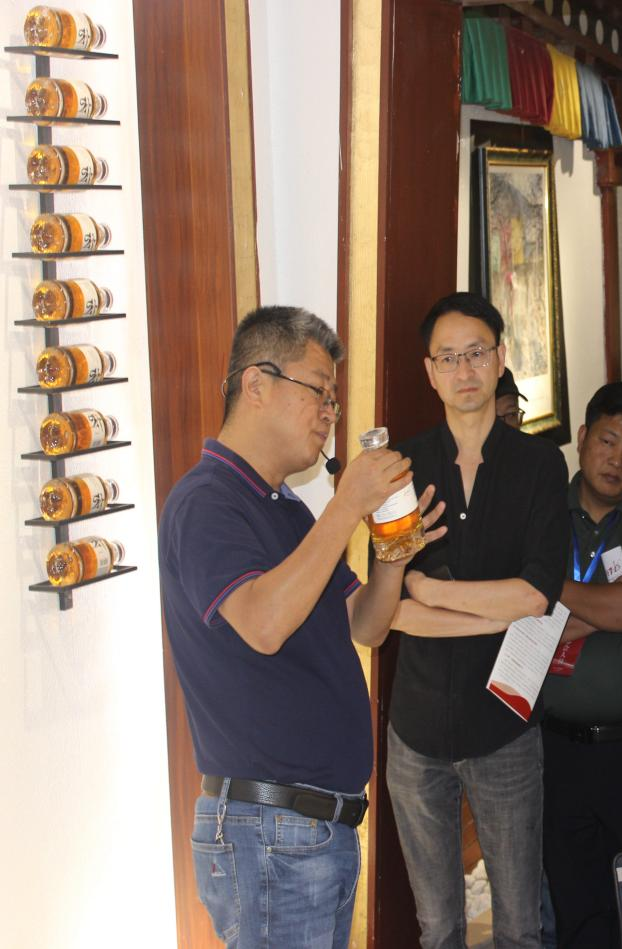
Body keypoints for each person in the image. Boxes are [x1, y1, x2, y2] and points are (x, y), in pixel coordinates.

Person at [159, 306, 444, 949]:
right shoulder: (207, 501)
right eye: (320, 391)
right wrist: (345, 506)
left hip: (307, 830)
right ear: (256, 384)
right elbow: (262, 624)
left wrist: (393, 552)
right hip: (269, 829)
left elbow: (366, 624)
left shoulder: (285, 507)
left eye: (333, 400)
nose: (329, 414)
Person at [386, 292, 569, 949]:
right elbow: (393, 610)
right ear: (429, 371)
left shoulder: (540, 465)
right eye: (448, 358)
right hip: (416, 727)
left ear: (499, 359)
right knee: (438, 928)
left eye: (476, 354)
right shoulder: (401, 469)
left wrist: (433, 590)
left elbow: (535, 597)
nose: (463, 370)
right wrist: (459, 603)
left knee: (519, 925)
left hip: (503, 724)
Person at [541, 382, 622, 948]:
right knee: (576, 911)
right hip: (554, 749)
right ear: (581, 437)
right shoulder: (541, 512)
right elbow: (516, 615)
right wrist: (609, 607)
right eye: (608, 441)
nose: (618, 461)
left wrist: (549, 590)